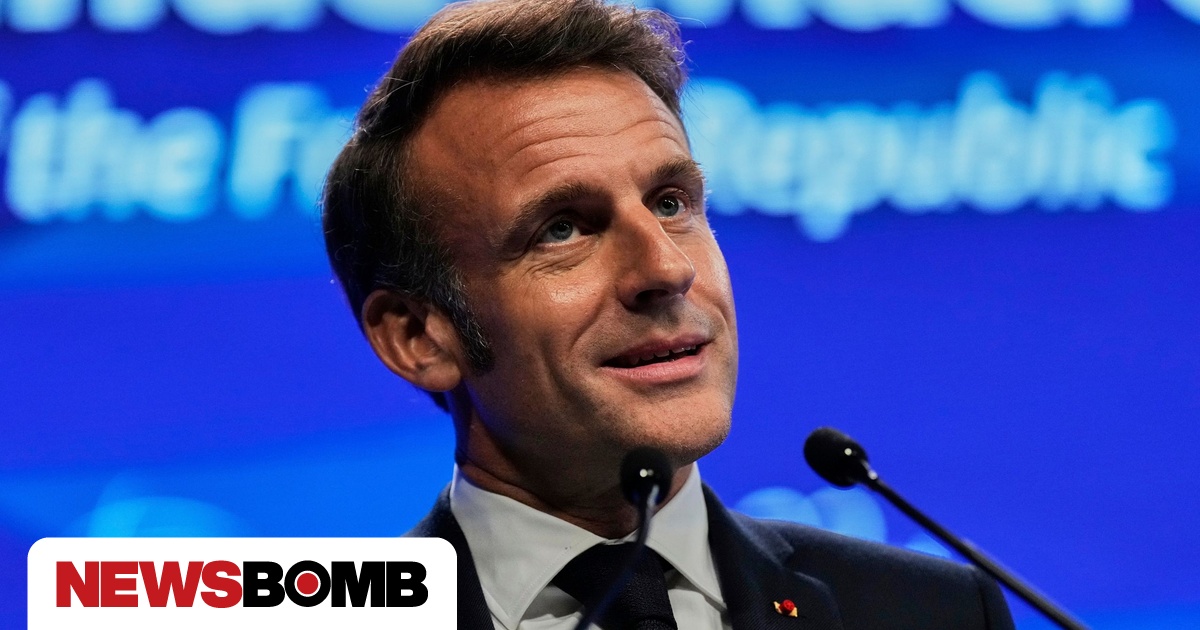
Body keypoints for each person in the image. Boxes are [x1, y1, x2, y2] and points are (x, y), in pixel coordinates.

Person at [321, 1, 1016, 628]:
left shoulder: (934, 612)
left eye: (671, 203)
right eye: (563, 229)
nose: (666, 268)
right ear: (418, 335)